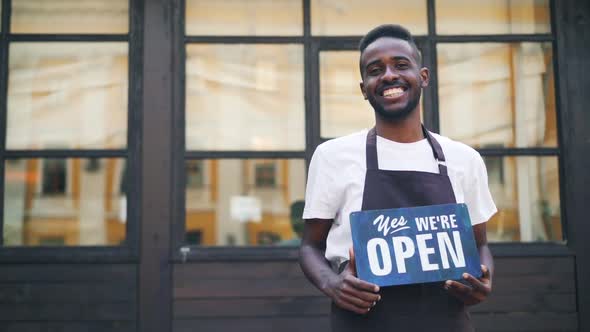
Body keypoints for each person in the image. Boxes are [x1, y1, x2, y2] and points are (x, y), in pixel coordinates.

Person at [299, 24, 496, 332]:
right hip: (361, 323)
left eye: (401, 65)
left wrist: (482, 281)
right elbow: (310, 246)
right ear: (364, 88)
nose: (389, 75)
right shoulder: (333, 157)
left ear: (423, 77)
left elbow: (480, 244)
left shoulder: (464, 159)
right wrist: (332, 284)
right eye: (375, 70)